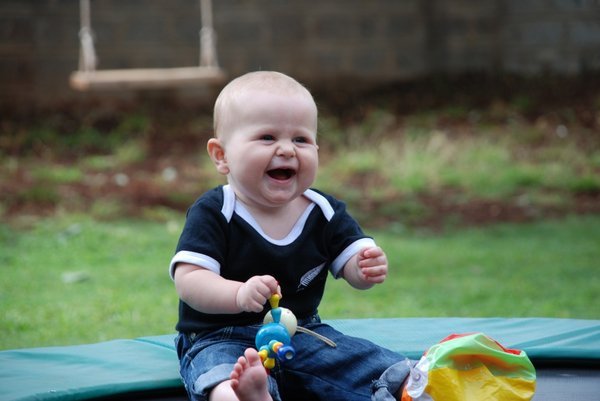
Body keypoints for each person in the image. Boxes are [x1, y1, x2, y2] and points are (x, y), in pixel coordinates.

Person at [170, 71, 410, 401]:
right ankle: (244, 394)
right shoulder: (215, 210)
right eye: (267, 137)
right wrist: (238, 294)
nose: (287, 149)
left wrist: (363, 267)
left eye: (301, 139)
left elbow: (353, 266)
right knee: (220, 373)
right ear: (221, 155)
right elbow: (190, 279)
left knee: (358, 359)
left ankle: (407, 385)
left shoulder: (323, 210)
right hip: (219, 335)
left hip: (302, 333)